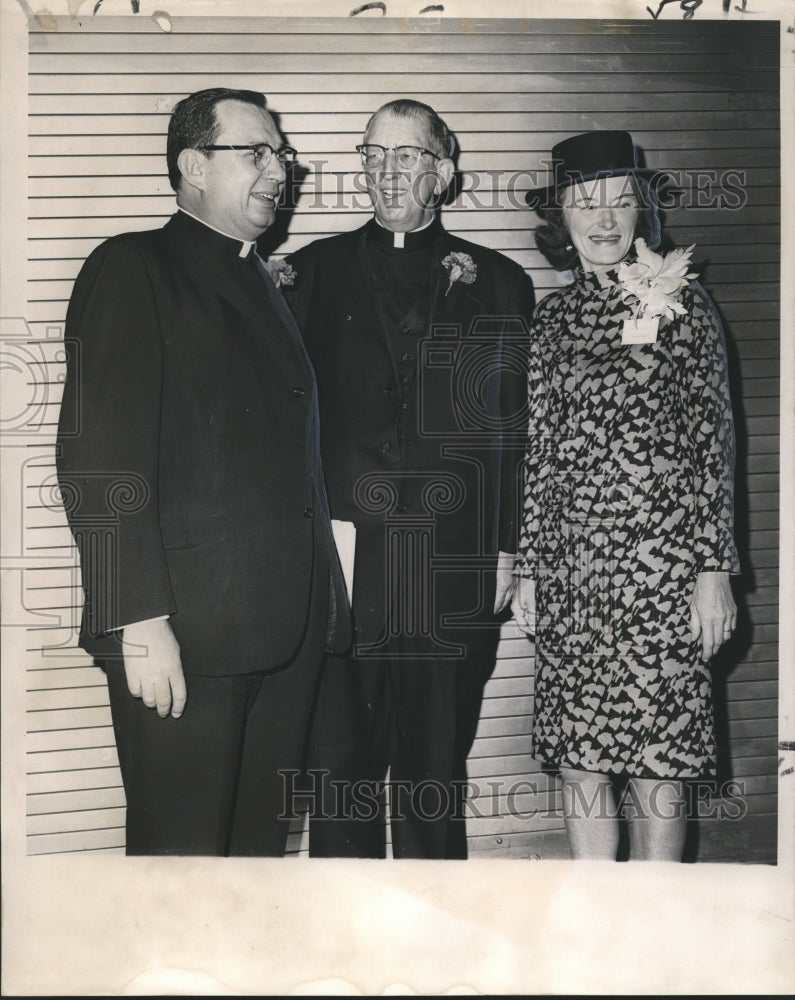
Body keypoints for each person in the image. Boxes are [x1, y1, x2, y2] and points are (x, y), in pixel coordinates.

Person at [55, 87, 350, 856]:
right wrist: (137, 619)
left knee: (254, 856)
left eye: (281, 153)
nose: (278, 169)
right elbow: (98, 460)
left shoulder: (257, 276)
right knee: (179, 863)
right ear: (192, 165)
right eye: (255, 151)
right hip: (186, 634)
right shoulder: (133, 267)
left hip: (284, 632)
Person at [283, 98, 534, 858]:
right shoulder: (306, 275)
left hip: (450, 570)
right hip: (344, 575)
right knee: (342, 777)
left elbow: (512, 428)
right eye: (373, 154)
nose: (387, 171)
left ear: (444, 174)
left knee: (433, 773)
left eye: (407, 155)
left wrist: (506, 547)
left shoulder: (498, 282)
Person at [512, 130, 739, 861]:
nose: (603, 219)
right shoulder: (549, 321)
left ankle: (656, 928)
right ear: (562, 219)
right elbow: (538, 454)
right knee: (582, 760)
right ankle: (595, 927)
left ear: (642, 213)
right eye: (585, 202)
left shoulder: (684, 307)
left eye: (619, 201)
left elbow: (714, 447)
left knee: (657, 762)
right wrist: (529, 568)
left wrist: (713, 574)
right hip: (577, 581)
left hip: (662, 579)